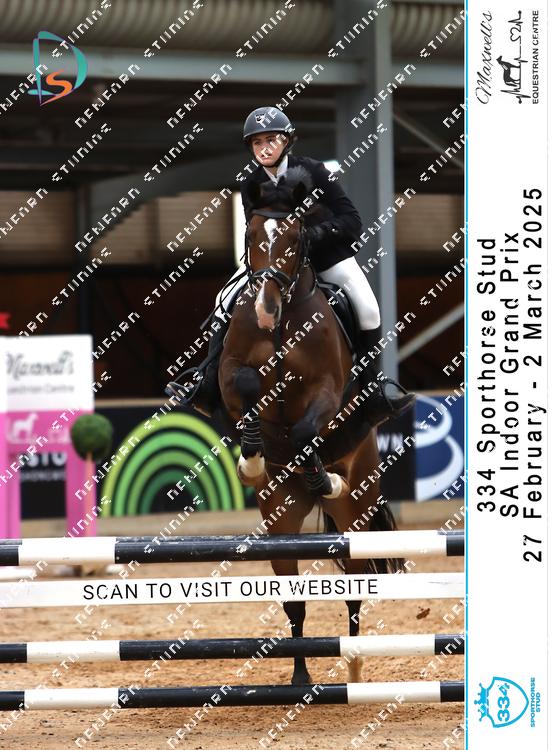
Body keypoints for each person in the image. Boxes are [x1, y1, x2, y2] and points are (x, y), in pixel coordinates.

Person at [179, 106, 415, 425]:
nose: (264, 148)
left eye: (271, 140)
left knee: (369, 310)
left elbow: (352, 221)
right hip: (273, 264)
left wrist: (311, 237)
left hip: (326, 258)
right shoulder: (251, 182)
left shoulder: (314, 171)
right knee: (223, 301)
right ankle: (207, 382)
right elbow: (255, 232)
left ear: (287, 141)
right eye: (257, 142)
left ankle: (374, 391)